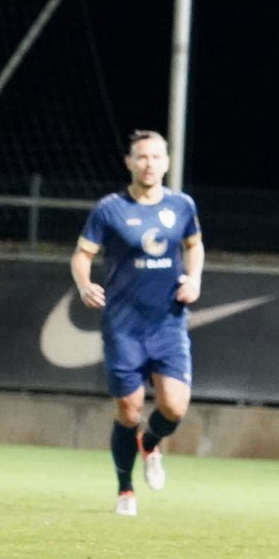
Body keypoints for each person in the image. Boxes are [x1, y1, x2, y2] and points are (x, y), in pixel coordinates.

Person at [70, 129, 204, 515]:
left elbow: (194, 245)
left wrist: (194, 279)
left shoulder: (182, 205)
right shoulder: (109, 209)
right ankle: (125, 489)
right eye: (142, 157)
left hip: (168, 323)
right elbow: (81, 255)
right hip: (124, 326)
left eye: (156, 157)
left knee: (174, 408)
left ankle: (150, 443)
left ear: (167, 162)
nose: (149, 164)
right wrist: (85, 284)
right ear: (129, 162)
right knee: (129, 410)